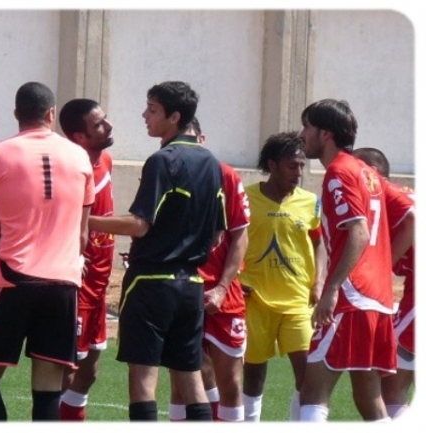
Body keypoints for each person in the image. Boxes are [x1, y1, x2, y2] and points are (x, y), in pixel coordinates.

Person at [89, 81, 226, 421]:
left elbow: (139, 224)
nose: (144, 115)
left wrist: (82, 219)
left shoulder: (162, 160)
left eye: (152, 109)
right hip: (191, 285)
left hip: (151, 283)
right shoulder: (212, 162)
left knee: (143, 379)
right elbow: (217, 235)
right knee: (190, 376)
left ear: (174, 117)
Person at [0, 82, 95, 421]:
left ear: (16, 114)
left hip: (13, 279)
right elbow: (82, 234)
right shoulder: (80, 156)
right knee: (48, 389)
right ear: (51, 114)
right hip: (63, 284)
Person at [298, 99, 413, 421]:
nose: (302, 134)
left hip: (351, 297)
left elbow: (358, 232)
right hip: (377, 299)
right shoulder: (368, 173)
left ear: (326, 133)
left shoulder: (339, 171)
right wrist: (382, 267)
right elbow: (412, 217)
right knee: (369, 398)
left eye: (307, 126)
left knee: (313, 392)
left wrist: (332, 288)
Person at [238, 131, 326, 422]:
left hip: (299, 301)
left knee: (307, 374)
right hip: (255, 299)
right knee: (253, 373)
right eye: (292, 166)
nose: (299, 172)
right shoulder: (245, 198)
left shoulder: (310, 202)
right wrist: (234, 278)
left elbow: (320, 243)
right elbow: (228, 241)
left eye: (302, 166)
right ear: (272, 165)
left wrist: (319, 282)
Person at [168, 117, 250, 422]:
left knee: (231, 382)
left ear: (202, 140)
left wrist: (222, 287)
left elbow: (240, 235)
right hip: (181, 290)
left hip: (223, 297)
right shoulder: (164, 170)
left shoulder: (225, 174)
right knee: (181, 384)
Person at [57, 98, 115, 421]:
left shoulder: (105, 159)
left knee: (89, 371)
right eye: (99, 124)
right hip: (76, 284)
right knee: (66, 370)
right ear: (80, 136)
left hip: (99, 285)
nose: (108, 126)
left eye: (105, 119)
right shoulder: (70, 169)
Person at [353, 147, 415, 419]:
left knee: (390, 387)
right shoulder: (402, 193)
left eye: (356, 170)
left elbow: (413, 221)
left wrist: (382, 265)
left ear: (373, 172)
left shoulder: (384, 193)